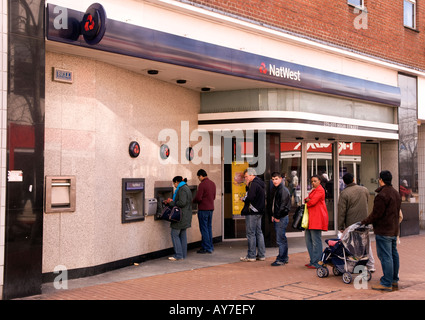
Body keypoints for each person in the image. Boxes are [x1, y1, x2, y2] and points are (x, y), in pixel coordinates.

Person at [361, 170, 401, 292]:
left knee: (386, 257)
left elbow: (376, 214)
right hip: (393, 230)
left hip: (384, 230)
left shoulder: (382, 196)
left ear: (381, 180)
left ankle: (386, 283)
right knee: (394, 255)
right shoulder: (396, 193)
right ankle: (393, 280)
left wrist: (365, 221)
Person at [338, 173, 375, 271]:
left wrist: (341, 226)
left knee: (352, 245)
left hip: (351, 223)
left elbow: (342, 211)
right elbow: (367, 203)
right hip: (364, 221)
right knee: (366, 243)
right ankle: (371, 265)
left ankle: (353, 266)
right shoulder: (365, 190)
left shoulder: (344, 193)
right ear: (354, 179)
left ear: (344, 182)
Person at [240, 168, 266, 262]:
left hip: (252, 212)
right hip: (259, 211)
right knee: (259, 232)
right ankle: (261, 254)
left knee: (251, 233)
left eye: (246, 176)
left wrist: (243, 199)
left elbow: (250, 197)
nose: (245, 178)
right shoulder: (260, 183)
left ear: (252, 175)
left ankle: (251, 255)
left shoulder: (253, 184)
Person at [164, 176, 193, 261]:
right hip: (185, 215)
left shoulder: (182, 189)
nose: (174, 185)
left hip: (180, 216)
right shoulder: (186, 188)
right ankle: (183, 254)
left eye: (174, 183)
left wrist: (171, 202)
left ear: (177, 182)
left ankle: (178, 255)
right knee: (183, 235)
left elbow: (182, 203)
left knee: (174, 234)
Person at [304, 175, 328, 269]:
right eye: (312, 181)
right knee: (309, 240)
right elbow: (307, 200)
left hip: (317, 218)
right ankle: (313, 261)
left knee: (316, 241)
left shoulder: (320, 190)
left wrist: (308, 200)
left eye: (315, 181)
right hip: (311, 218)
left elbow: (311, 202)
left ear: (319, 181)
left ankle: (318, 262)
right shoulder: (314, 190)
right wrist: (307, 200)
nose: (313, 183)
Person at [193, 169, 216, 254]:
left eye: (198, 177)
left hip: (203, 209)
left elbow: (198, 198)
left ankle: (207, 247)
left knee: (204, 229)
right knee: (209, 228)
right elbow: (213, 197)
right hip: (211, 209)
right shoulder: (212, 183)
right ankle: (210, 246)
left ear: (201, 176)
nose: (199, 178)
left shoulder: (202, 185)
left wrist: (193, 201)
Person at [270, 172, 291, 266]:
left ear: (281, 179)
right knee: (281, 238)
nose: (275, 181)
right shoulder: (276, 189)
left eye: (276, 179)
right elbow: (275, 204)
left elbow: (283, 206)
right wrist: (273, 215)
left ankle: (282, 259)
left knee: (280, 239)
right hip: (278, 217)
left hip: (281, 218)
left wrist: (277, 216)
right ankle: (283, 257)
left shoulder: (283, 190)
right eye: (273, 179)